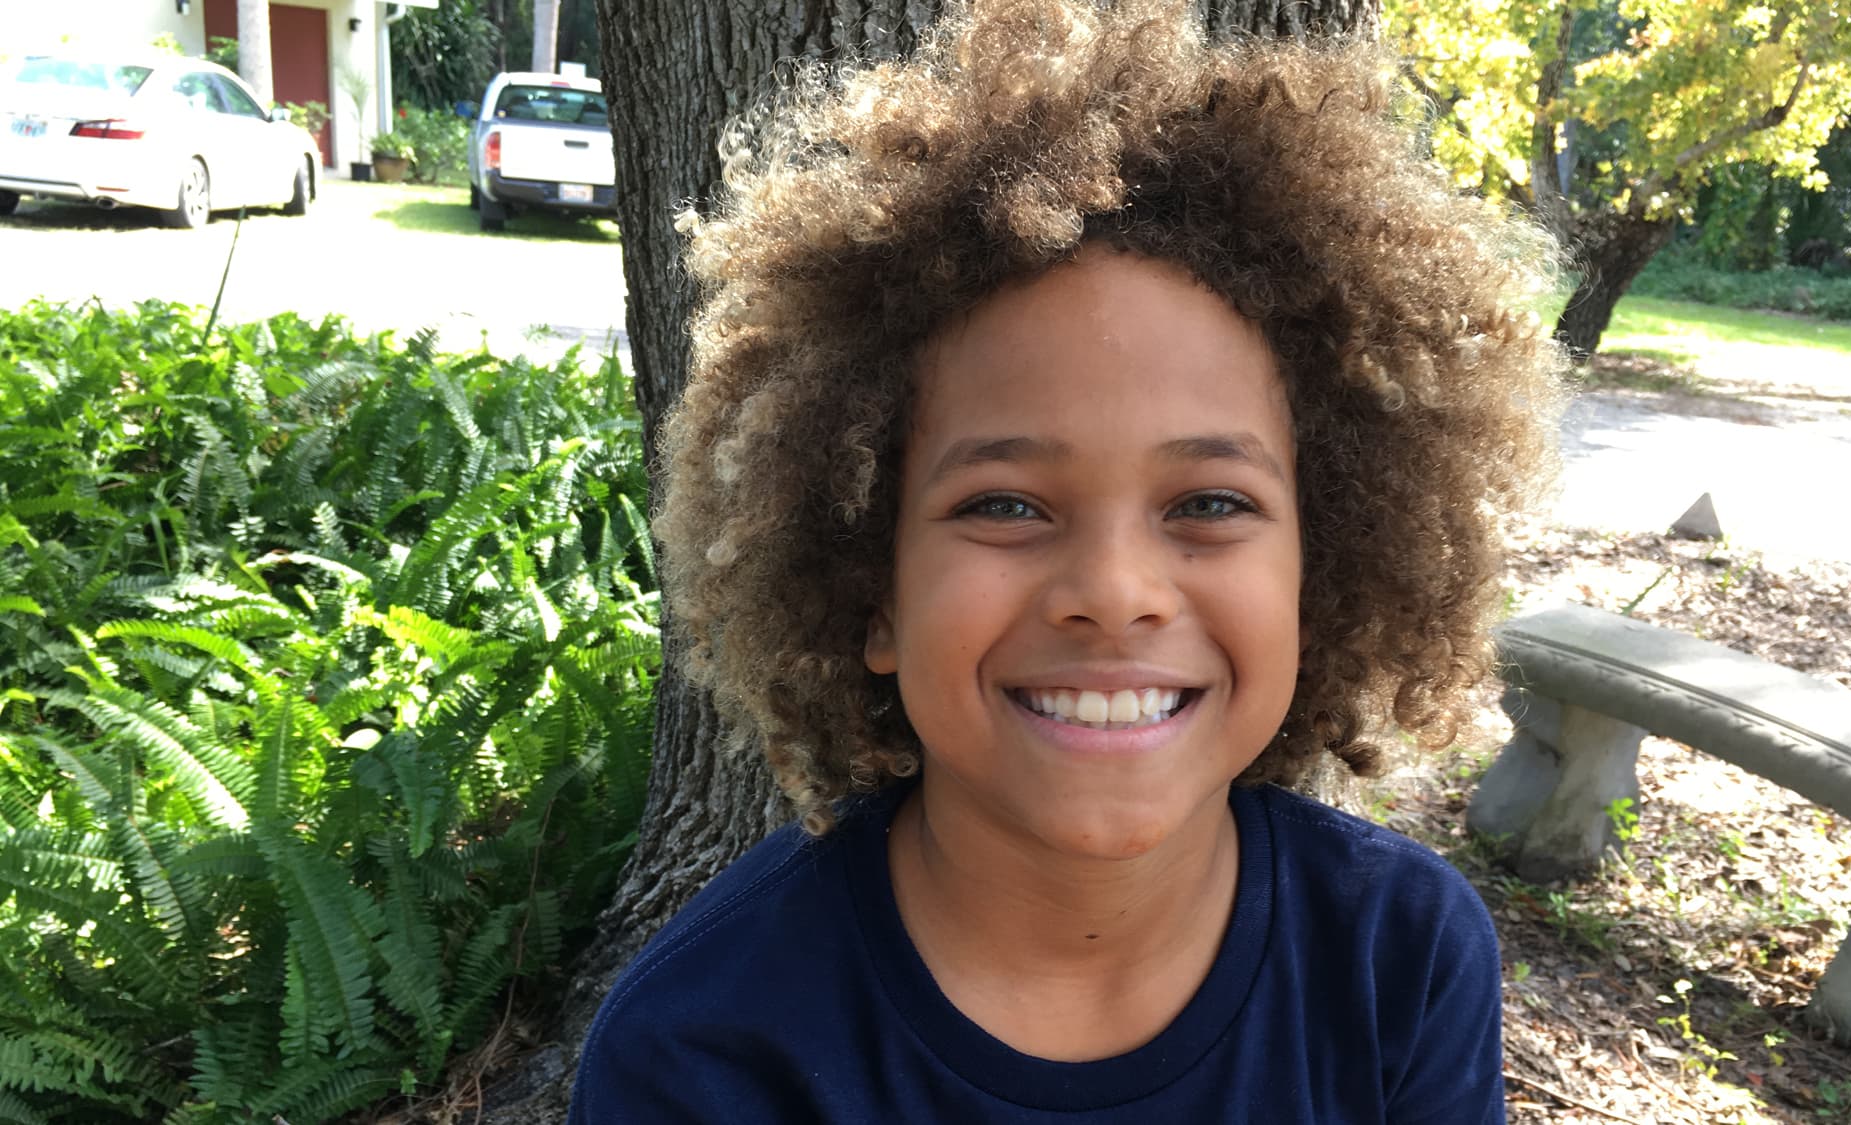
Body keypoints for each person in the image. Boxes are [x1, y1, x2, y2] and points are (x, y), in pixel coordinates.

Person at [571, 0, 1563, 1119]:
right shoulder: (704, 1050)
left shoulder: (1400, 962)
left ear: (1315, 575)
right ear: (871, 586)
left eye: (1206, 502)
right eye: (1003, 503)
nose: (1112, 593)